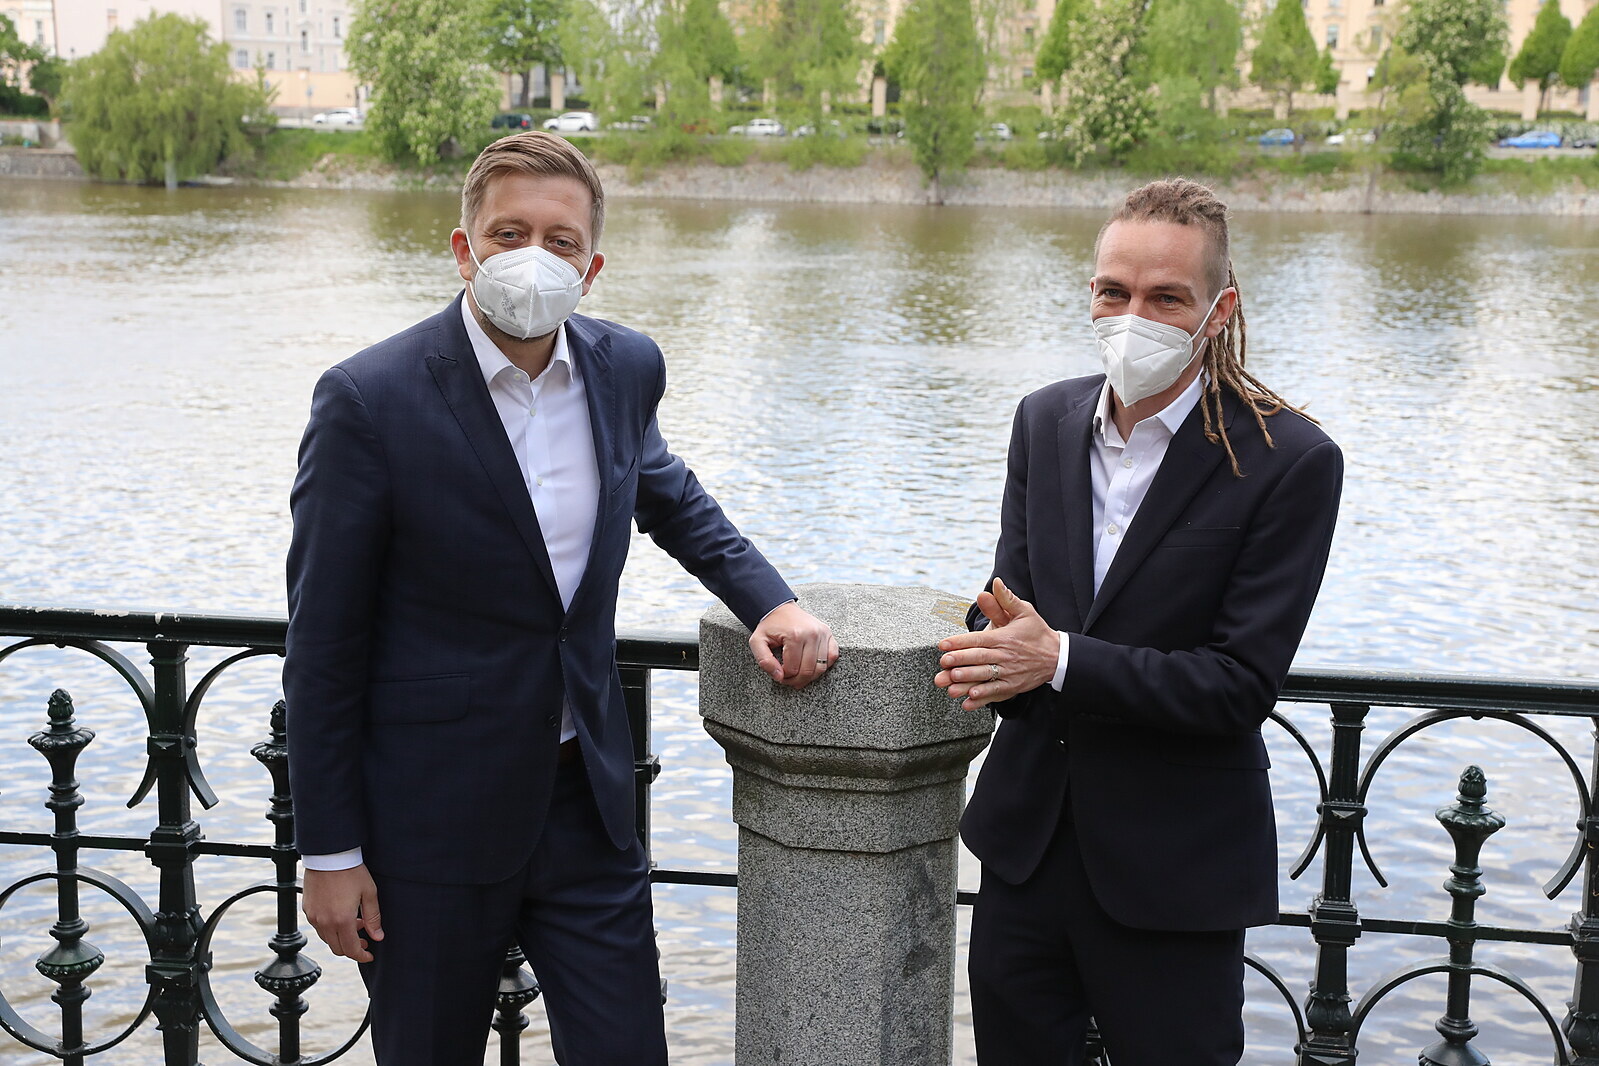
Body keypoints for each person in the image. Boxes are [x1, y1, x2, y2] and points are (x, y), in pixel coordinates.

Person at [283, 130, 837, 1066]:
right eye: (508, 234)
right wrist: (329, 853)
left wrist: (769, 602)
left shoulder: (627, 366)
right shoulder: (368, 400)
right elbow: (323, 645)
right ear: (464, 249)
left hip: (587, 803)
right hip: (430, 822)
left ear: (592, 267)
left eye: (560, 240)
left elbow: (666, 492)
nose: (532, 256)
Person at [933, 178, 1343, 1065]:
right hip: (1025, 852)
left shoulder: (1290, 460)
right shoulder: (1042, 420)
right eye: (1112, 292)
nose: (1132, 317)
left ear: (1218, 311)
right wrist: (994, 641)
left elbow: (1237, 684)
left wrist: (1056, 659)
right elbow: (1013, 598)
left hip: (1174, 870)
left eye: (1166, 298)